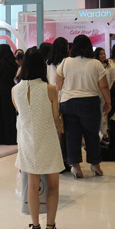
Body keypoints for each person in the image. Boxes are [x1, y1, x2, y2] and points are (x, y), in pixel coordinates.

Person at [12, 49, 67, 229]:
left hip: (27, 142)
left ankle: (35, 228)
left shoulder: (15, 90)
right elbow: (54, 117)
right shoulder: (49, 89)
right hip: (48, 141)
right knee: (53, 186)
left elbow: (21, 116)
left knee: (32, 186)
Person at [57, 34, 112, 178]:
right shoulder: (96, 64)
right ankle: (95, 164)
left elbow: (58, 85)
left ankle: (75, 166)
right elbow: (104, 86)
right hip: (90, 102)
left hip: (68, 102)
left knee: (71, 135)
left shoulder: (65, 62)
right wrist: (108, 102)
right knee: (92, 134)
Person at [47, 37, 70, 167]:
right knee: (65, 131)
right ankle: (64, 159)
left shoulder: (48, 64)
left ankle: (54, 160)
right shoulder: (67, 63)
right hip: (65, 98)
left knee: (54, 131)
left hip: (50, 99)